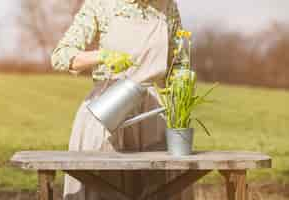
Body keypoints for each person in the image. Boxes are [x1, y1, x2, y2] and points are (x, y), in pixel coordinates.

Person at [51, 0, 191, 199]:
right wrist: (102, 56)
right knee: (102, 186)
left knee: (158, 189)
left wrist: (182, 91)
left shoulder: (167, 6)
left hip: (152, 117)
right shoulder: (100, 4)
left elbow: (180, 63)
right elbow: (61, 56)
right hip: (107, 112)